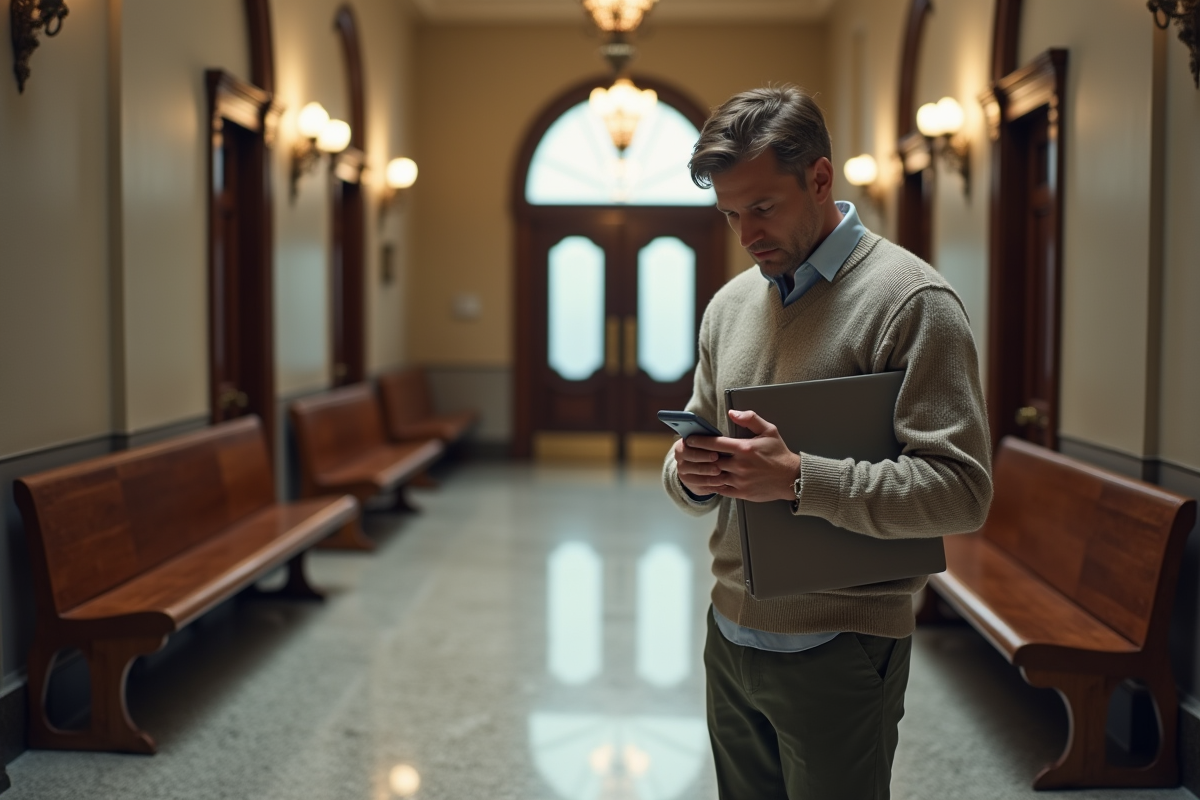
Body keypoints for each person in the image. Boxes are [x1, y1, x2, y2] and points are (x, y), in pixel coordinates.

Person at [662, 85, 993, 799]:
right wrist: (692, 471)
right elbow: (692, 447)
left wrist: (798, 479)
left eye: (762, 207)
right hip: (730, 633)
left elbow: (962, 494)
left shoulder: (912, 302)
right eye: (729, 214)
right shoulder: (730, 305)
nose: (746, 233)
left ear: (820, 177)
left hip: (842, 645)